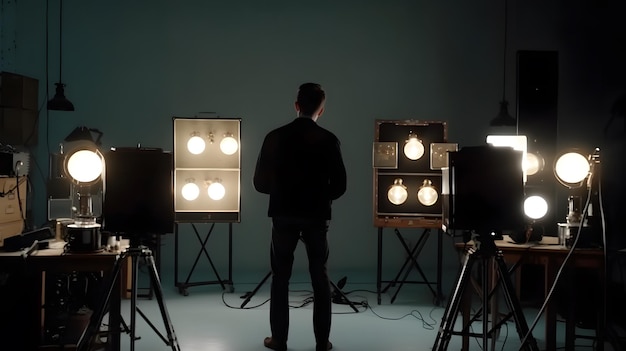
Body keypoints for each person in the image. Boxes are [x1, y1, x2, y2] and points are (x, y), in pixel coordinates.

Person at [253, 83, 347, 351]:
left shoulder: (274, 137)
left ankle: (279, 340)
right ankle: (321, 342)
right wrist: (319, 197)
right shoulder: (329, 140)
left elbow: (259, 183)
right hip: (317, 216)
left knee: (280, 277)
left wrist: (283, 192)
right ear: (322, 110)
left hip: (283, 215)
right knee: (320, 277)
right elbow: (340, 186)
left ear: (296, 106)